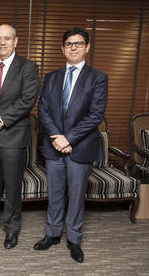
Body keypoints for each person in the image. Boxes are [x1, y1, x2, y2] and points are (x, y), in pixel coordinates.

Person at [34, 27, 108, 263]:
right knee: (54, 193)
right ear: (62, 48)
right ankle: (52, 234)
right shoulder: (52, 77)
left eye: (78, 43)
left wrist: (69, 138)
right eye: (68, 44)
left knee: (76, 196)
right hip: (54, 145)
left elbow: (96, 115)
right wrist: (57, 136)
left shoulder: (98, 78)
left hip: (81, 147)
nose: (73, 47)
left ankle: (74, 239)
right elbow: (43, 110)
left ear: (87, 47)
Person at [0, 24, 40, 249]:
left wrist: (0, 120)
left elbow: (27, 100)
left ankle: (12, 228)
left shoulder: (28, 67)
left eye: (7, 38)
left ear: (16, 41)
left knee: (13, 186)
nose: (2, 43)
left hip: (13, 136)